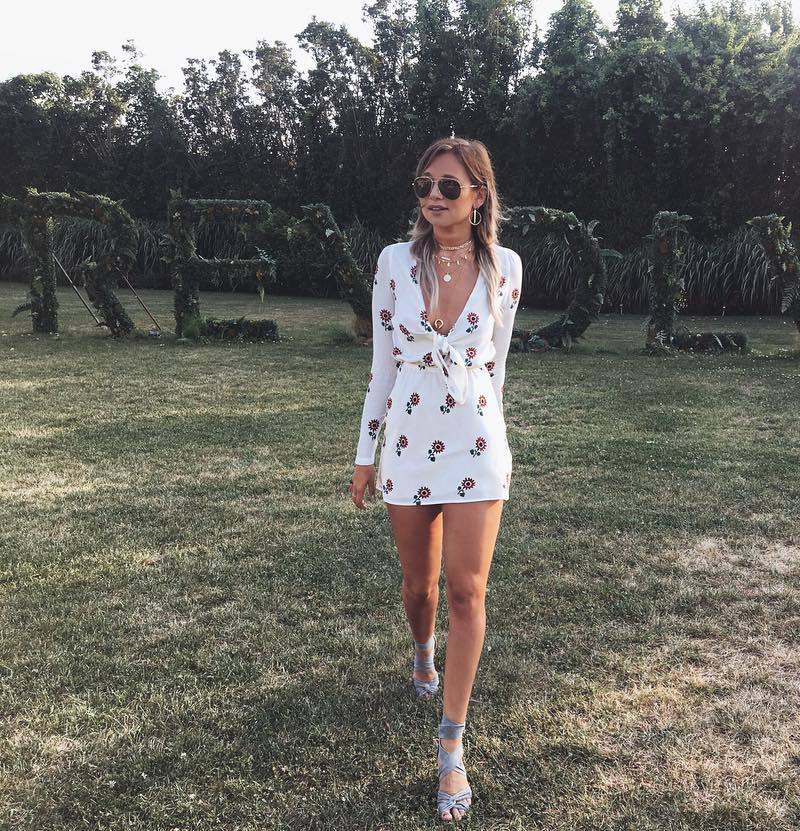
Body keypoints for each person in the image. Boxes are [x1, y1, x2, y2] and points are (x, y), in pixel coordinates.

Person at [348, 136, 522, 822]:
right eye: (425, 185)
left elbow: (496, 366)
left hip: (476, 443)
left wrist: (497, 441)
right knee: (419, 586)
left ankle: (452, 745)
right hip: (410, 440)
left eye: (449, 186)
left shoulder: (506, 266)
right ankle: (423, 651)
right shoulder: (395, 262)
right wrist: (366, 452)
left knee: (467, 589)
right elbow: (382, 368)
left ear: (479, 195)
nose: (433, 197)